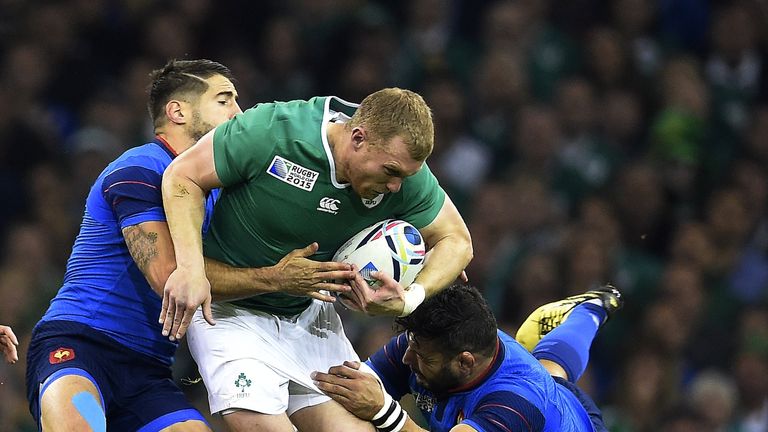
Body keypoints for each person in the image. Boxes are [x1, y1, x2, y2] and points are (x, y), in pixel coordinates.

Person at [24, 59, 349, 432]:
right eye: (224, 100)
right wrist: (277, 279)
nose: (239, 114)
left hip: (148, 369)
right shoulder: (141, 168)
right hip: (81, 344)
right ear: (177, 111)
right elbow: (169, 280)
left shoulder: (216, 192)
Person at [160, 88, 473, 431]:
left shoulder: (404, 175)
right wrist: (190, 267)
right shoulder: (275, 130)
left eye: (405, 177)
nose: (397, 187)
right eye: (390, 172)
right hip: (232, 314)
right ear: (357, 137)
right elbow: (182, 176)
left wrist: (409, 299)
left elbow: (456, 240)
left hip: (309, 316)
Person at [312, 283, 623, 432]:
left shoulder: (513, 403)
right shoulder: (423, 344)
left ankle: (589, 311)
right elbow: (349, 393)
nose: (406, 358)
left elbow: (377, 407)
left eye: (421, 356)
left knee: (550, 375)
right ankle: (594, 306)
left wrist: (383, 410)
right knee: (551, 372)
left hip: (571, 422)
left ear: (465, 362)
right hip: (546, 395)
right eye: (409, 343)